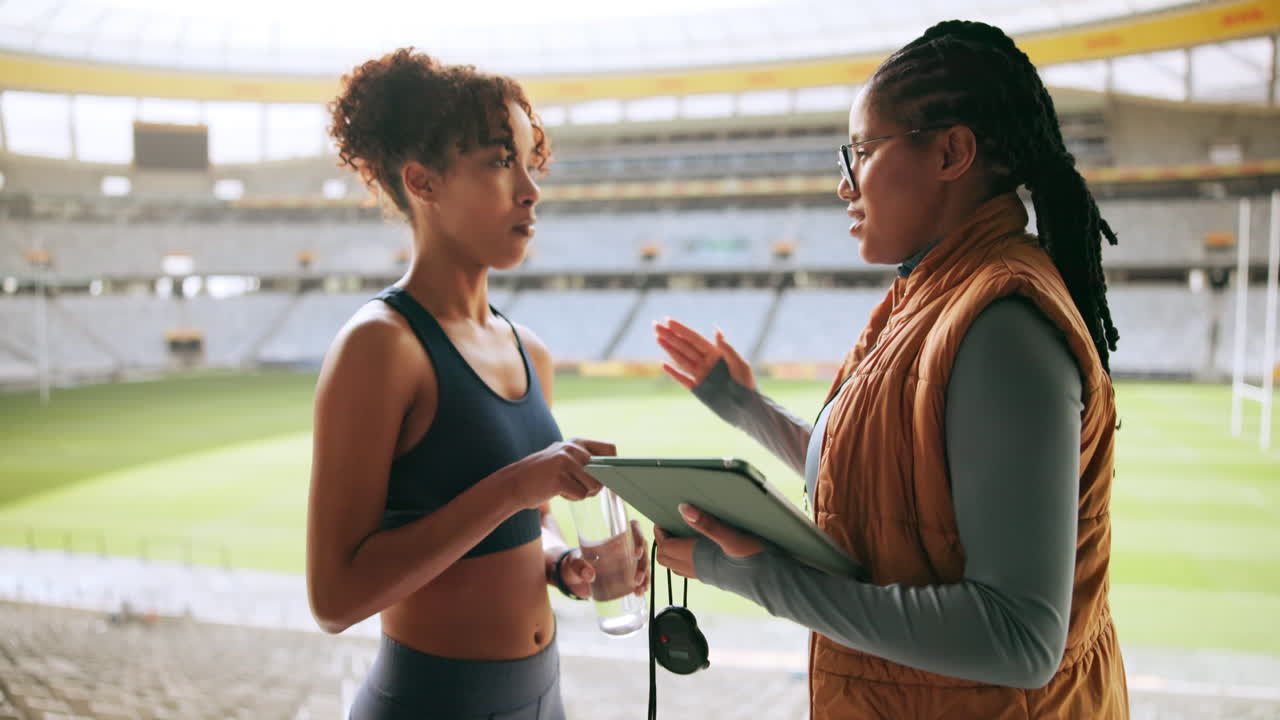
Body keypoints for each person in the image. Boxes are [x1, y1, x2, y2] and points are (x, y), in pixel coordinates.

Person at [653, 20, 1129, 719]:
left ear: (952, 152)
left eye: (861, 152)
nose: (845, 185)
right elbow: (880, 480)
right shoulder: (929, 295)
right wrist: (743, 406)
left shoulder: (1000, 323)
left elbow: (1019, 638)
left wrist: (761, 578)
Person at [306, 48, 650, 720]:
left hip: (542, 696)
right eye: (500, 161)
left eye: (529, 161)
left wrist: (562, 564)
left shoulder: (530, 352)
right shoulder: (380, 346)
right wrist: (518, 484)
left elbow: (526, 524)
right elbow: (334, 598)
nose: (531, 188)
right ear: (423, 182)